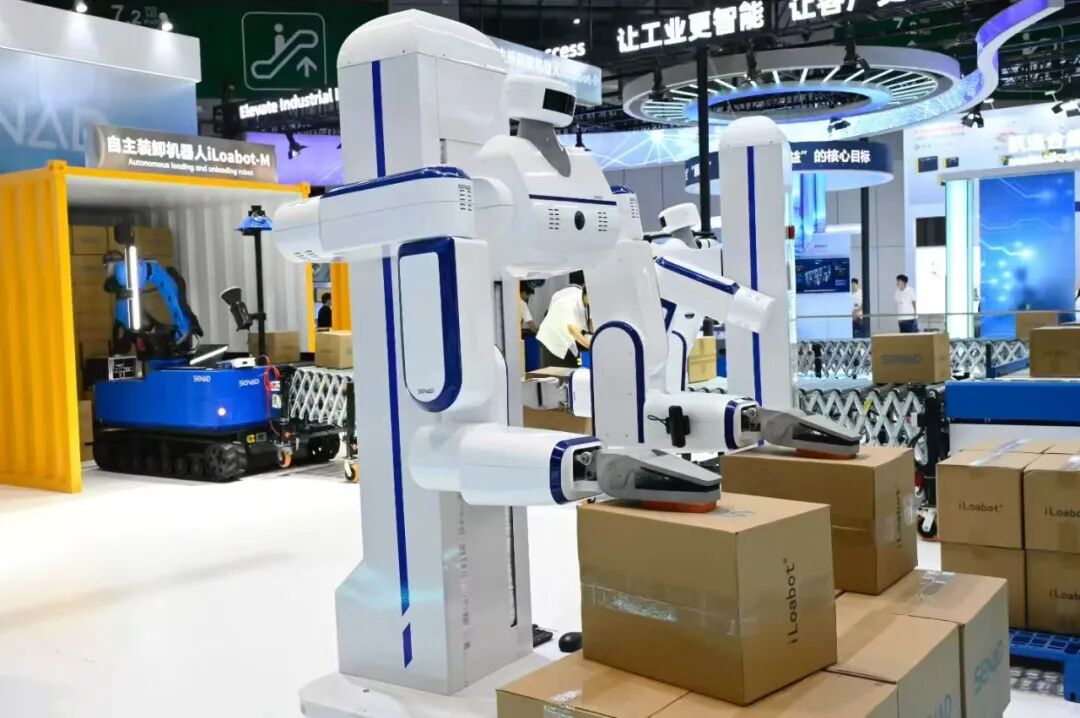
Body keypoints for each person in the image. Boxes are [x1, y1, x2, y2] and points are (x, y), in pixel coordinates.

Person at [536, 271, 590, 368]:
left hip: (567, 342)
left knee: (572, 371)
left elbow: (590, 322)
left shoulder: (578, 295)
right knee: (556, 374)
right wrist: (591, 345)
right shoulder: (571, 301)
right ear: (586, 294)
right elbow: (571, 328)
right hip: (553, 343)